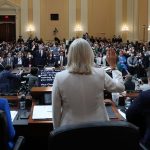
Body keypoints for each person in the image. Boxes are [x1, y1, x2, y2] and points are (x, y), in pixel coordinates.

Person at [52, 38, 125, 129]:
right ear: (90, 54)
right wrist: (113, 67)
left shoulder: (59, 77)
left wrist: (57, 132)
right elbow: (120, 87)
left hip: (69, 130)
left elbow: (56, 111)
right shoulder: (100, 73)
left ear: (70, 54)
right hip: (97, 127)